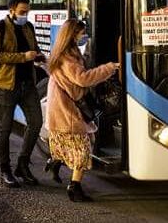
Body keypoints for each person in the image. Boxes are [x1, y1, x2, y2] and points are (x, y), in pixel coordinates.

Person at [46, 19, 119, 202]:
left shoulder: (65, 52)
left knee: (76, 142)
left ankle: (55, 162)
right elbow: (83, 79)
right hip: (66, 110)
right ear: (72, 35)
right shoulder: (68, 57)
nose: (83, 36)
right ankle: (74, 188)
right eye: (81, 33)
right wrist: (109, 68)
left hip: (61, 106)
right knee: (83, 150)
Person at [0, 0, 44, 188]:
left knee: (36, 122)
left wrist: (39, 57)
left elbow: (33, 50)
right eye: (22, 12)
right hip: (6, 86)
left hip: (28, 85)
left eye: (27, 12)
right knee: (5, 129)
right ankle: (5, 169)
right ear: (11, 10)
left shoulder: (28, 27)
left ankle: (22, 164)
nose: (25, 15)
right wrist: (23, 57)